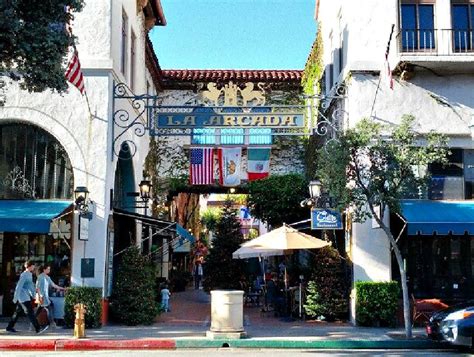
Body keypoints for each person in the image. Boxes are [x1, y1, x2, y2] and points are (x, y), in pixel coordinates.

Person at [6, 261, 48, 334]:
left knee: (17, 312)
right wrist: (15, 298)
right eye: (33, 266)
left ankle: (9, 327)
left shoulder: (29, 274)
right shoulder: (24, 275)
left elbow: (30, 287)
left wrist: (34, 296)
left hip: (24, 296)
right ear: (30, 266)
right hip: (23, 297)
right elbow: (19, 286)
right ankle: (38, 328)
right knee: (30, 312)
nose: (34, 267)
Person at [35, 264, 66, 328]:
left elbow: (53, 285)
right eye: (48, 269)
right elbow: (37, 287)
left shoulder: (46, 277)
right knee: (48, 309)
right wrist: (39, 295)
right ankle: (52, 324)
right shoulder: (41, 277)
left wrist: (62, 288)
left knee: (40, 310)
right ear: (44, 270)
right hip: (42, 297)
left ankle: (33, 322)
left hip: (43, 296)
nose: (49, 270)